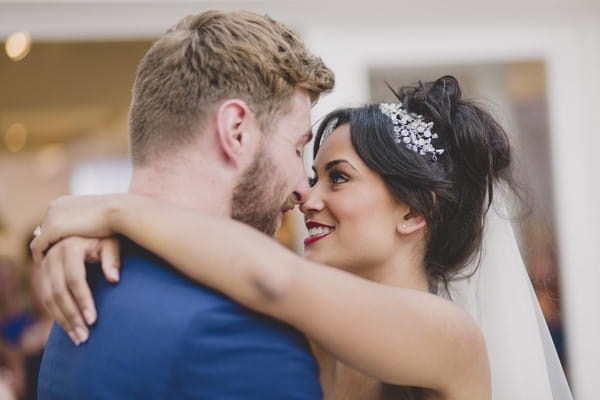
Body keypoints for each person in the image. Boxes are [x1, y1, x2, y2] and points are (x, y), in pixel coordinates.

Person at [32, 76, 573, 399]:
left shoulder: (448, 335)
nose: (306, 197)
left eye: (337, 178)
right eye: (312, 176)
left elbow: (271, 277)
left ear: (413, 212)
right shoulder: (308, 334)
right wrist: (91, 240)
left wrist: (111, 209)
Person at [32, 9, 334, 400]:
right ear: (236, 131)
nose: (302, 188)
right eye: (296, 148)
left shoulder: (83, 285)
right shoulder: (236, 335)